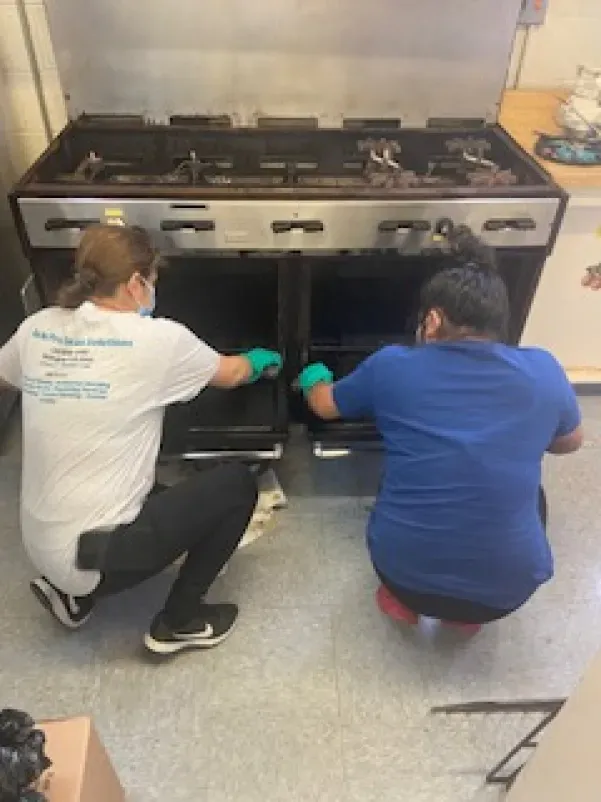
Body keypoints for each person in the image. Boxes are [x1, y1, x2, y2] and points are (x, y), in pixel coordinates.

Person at [0, 225, 283, 655]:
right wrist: (260, 360)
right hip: (95, 556)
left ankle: (72, 596)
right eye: (151, 280)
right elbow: (232, 374)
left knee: (135, 474)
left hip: (40, 545)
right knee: (236, 486)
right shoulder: (160, 340)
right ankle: (180, 621)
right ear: (135, 283)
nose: (152, 290)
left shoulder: (37, 328)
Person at [296, 227, 583, 634]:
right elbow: (569, 443)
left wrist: (312, 377)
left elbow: (324, 406)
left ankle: (399, 601)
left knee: (394, 480)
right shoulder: (544, 370)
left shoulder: (392, 366)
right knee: (533, 495)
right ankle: (466, 617)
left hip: (403, 576)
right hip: (504, 597)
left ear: (431, 321)